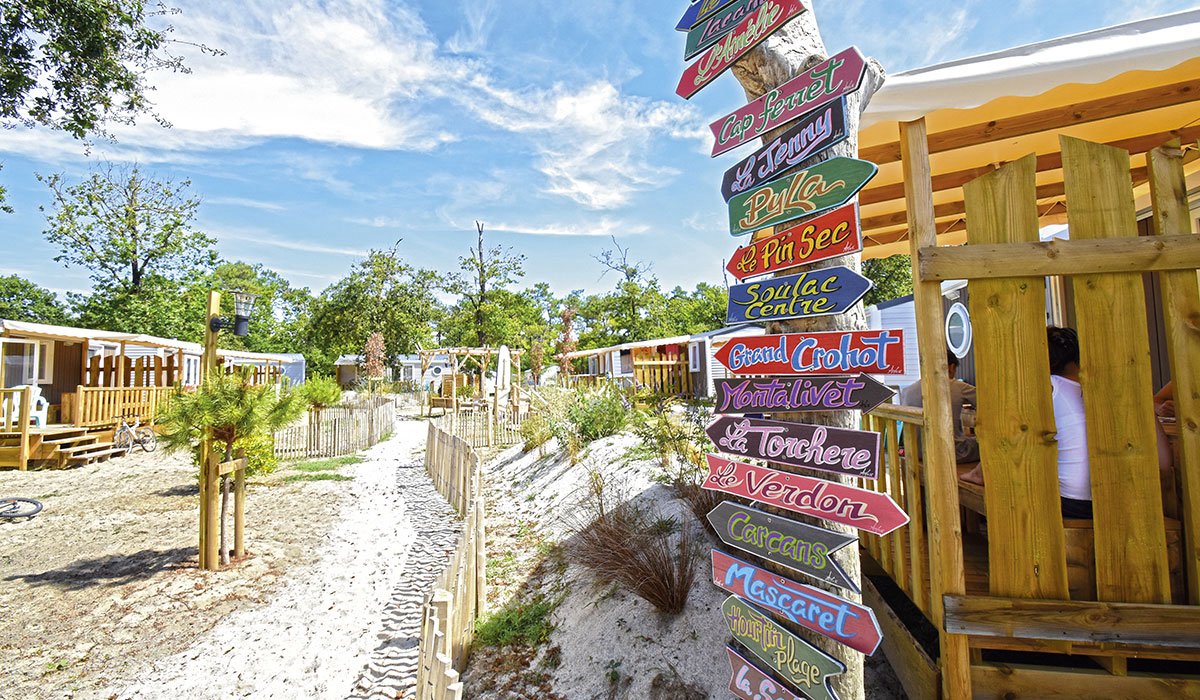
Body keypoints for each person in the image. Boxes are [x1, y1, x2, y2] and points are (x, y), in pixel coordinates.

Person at [1047, 326, 1172, 519]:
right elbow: (1164, 463)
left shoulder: (1050, 386)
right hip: (1122, 501)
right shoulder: (1118, 390)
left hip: (1071, 502)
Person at [900, 346, 979, 463]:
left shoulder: (907, 391)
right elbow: (987, 402)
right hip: (953, 453)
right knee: (986, 443)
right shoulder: (957, 386)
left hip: (917, 453)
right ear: (951, 367)